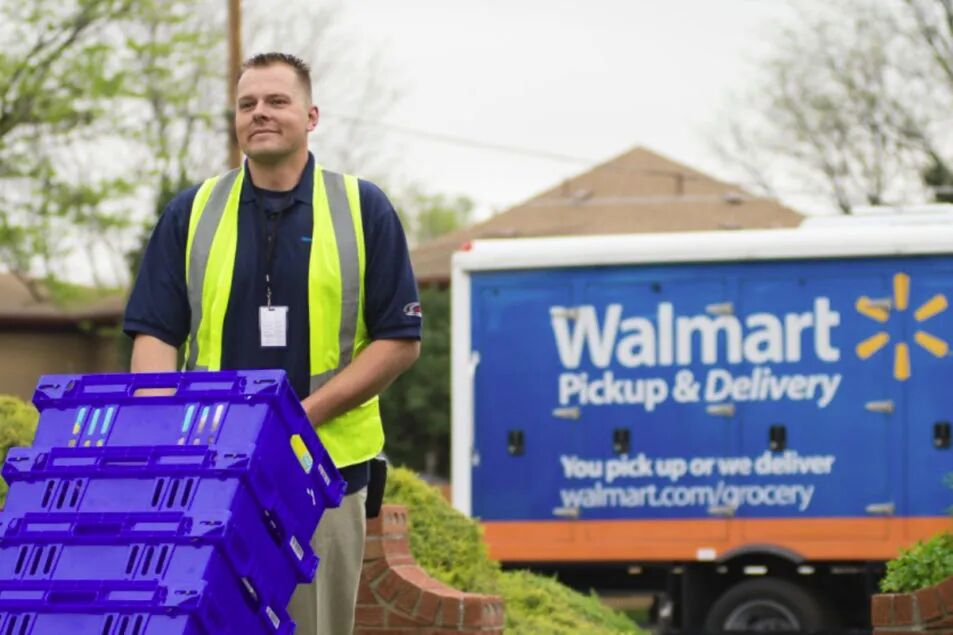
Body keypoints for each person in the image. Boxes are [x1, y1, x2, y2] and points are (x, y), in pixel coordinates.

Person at [123, 52, 421, 634]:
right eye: (247, 104)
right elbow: (155, 333)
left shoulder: (364, 208)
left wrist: (293, 423)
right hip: (209, 472)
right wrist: (165, 437)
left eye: (276, 101)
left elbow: (399, 340)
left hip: (326, 475)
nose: (260, 113)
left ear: (310, 116)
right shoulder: (192, 212)